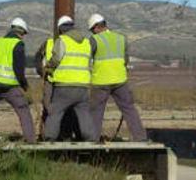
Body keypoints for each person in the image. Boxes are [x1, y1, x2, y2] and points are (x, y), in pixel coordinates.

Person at [87, 13, 148, 141]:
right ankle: (140, 137)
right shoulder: (121, 38)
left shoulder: (94, 40)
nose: (92, 33)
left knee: (96, 112)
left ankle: (93, 140)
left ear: (97, 27)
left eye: (92, 30)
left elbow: (87, 59)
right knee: (129, 109)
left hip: (101, 81)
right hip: (120, 80)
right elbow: (125, 60)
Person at [44, 15, 99, 142]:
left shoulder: (62, 40)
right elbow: (89, 62)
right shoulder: (86, 42)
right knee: (84, 113)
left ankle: (49, 138)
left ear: (60, 29)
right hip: (83, 85)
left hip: (64, 85)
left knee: (55, 112)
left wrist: (48, 68)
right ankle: (91, 139)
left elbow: (56, 58)